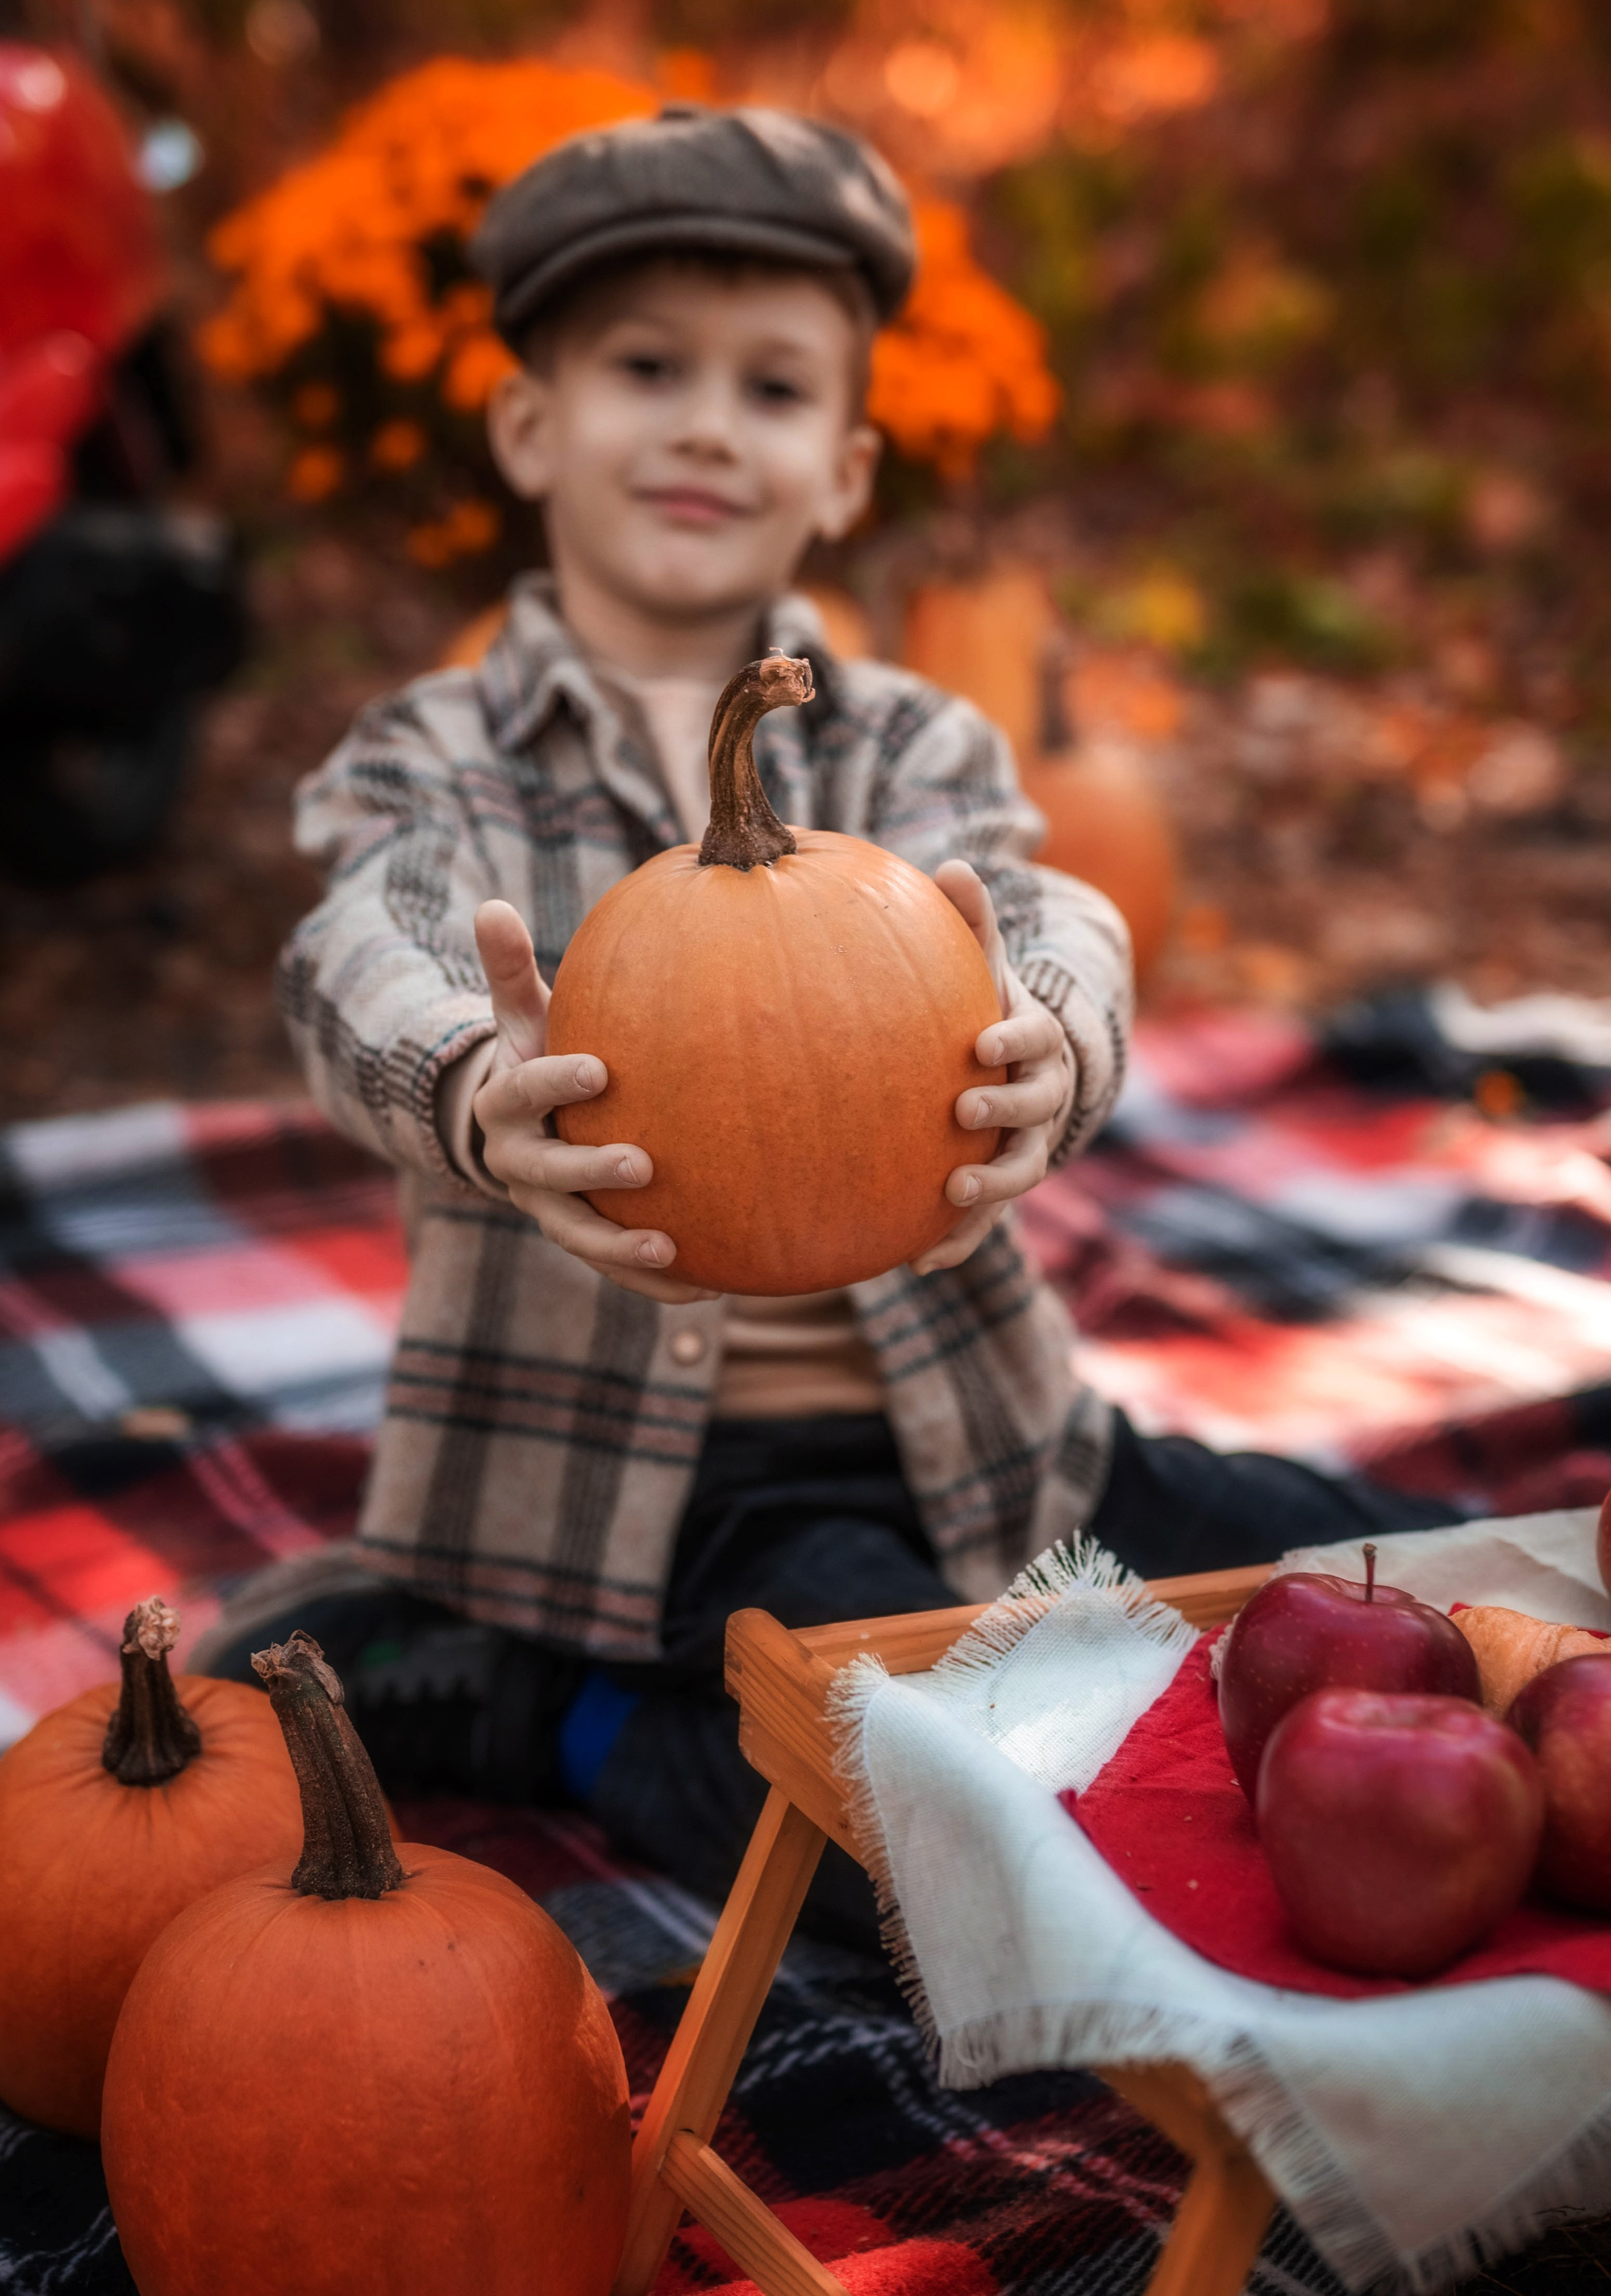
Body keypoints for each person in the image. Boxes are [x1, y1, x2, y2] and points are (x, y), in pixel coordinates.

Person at [200, 106, 1457, 1939]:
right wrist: (475, 1083)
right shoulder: (438, 753)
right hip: (666, 1494)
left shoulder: (903, 742)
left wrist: (1050, 1032)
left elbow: (1046, 906)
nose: (710, 424)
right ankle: (550, 1702)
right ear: (530, 427)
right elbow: (356, 949)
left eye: (772, 388)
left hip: (995, 1435)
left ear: (847, 468)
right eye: (650, 369)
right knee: (946, 1826)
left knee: (1415, 1594)